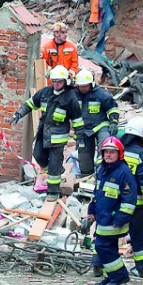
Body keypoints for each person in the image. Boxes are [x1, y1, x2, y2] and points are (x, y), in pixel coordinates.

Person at [10, 65, 84, 199]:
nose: (56, 84)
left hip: (58, 139)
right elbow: (30, 104)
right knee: (37, 155)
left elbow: (77, 120)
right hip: (43, 134)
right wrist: (18, 114)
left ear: (65, 82)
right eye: (54, 81)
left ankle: (53, 192)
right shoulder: (45, 93)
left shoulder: (70, 98)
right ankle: (56, 171)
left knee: (55, 164)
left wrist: (80, 138)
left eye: (59, 81)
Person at [88, 136, 137, 285]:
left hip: (113, 220)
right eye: (106, 152)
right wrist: (91, 209)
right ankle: (111, 278)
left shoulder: (124, 172)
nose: (108, 155)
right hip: (102, 218)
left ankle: (119, 275)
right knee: (108, 249)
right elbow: (97, 192)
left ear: (119, 154)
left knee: (102, 248)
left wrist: (120, 218)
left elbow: (129, 200)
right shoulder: (102, 169)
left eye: (112, 152)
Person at [120, 115, 143, 277]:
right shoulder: (141, 155)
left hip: (112, 201)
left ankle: (98, 264)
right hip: (133, 205)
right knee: (137, 235)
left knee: (106, 234)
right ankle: (142, 267)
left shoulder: (115, 149)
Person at [74, 69, 119, 181]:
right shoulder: (73, 95)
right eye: (81, 86)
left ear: (91, 84)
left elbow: (112, 108)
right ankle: (87, 176)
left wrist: (113, 122)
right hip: (83, 128)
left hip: (100, 126)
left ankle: (104, 172)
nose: (83, 88)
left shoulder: (101, 94)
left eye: (86, 86)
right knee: (83, 155)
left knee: (105, 146)